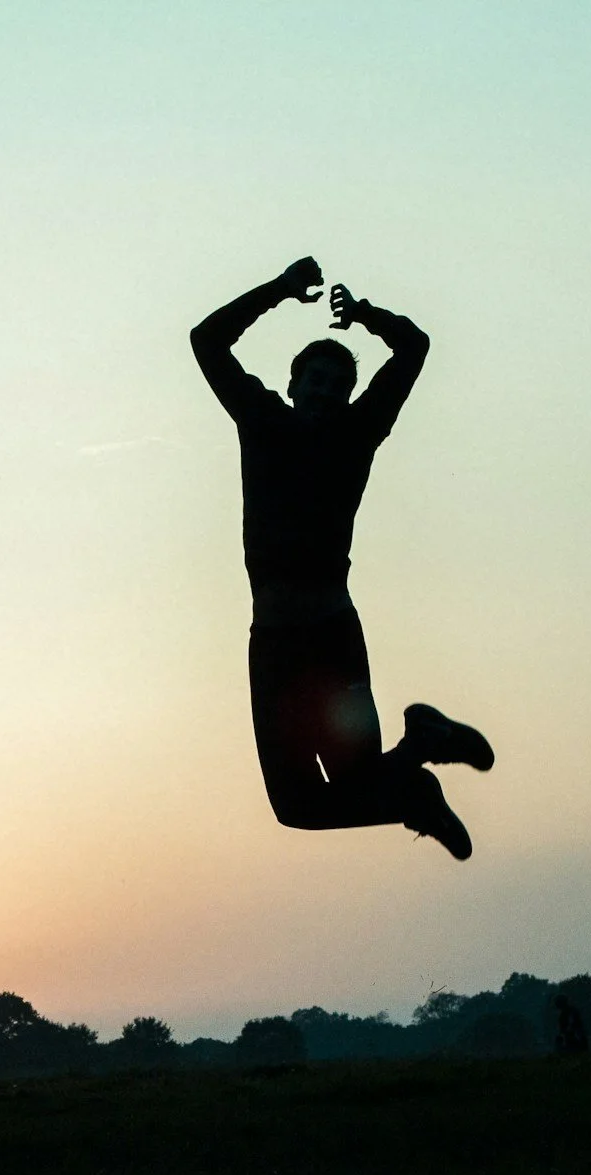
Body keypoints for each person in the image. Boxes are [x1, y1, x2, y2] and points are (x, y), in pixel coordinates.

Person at [192, 256, 493, 859]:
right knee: (297, 809)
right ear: (293, 385)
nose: (327, 392)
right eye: (317, 381)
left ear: (349, 397)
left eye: (338, 385)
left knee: (353, 778)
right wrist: (279, 290)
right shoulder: (261, 419)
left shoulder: (358, 433)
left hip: (330, 638)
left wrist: (361, 316)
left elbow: (413, 346)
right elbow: (207, 340)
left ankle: (417, 767)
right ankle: (418, 775)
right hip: (274, 644)